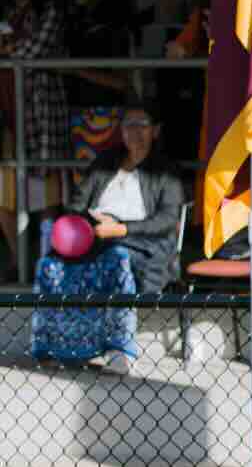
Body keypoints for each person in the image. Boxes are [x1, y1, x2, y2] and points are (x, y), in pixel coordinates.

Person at [29, 97, 185, 373]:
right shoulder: (106, 162)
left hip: (141, 243)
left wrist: (122, 229)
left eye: (142, 124)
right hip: (94, 237)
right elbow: (76, 204)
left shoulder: (165, 169)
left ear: (156, 130)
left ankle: (118, 350)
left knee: (116, 260)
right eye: (128, 124)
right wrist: (90, 224)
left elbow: (167, 220)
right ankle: (54, 348)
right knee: (49, 266)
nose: (134, 131)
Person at [1, 0, 69, 237]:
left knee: (44, 191)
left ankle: (47, 261)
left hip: (40, 111)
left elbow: (31, 52)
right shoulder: (5, 12)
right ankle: (18, 265)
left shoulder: (50, 11)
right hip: (5, 113)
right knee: (5, 192)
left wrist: (7, 48)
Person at [64, 0, 135, 165]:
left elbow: (121, 81)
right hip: (79, 113)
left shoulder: (115, 30)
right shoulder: (80, 24)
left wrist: (74, 69)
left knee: (102, 181)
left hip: (105, 115)